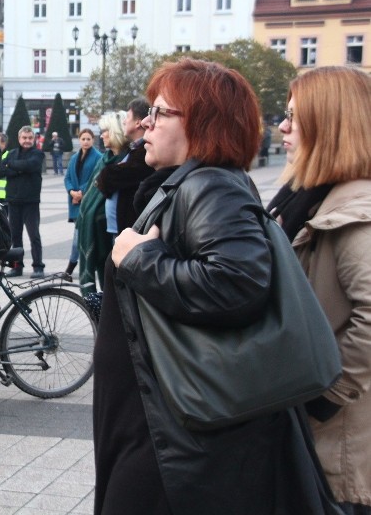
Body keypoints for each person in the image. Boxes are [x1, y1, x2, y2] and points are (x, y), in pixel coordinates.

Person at [94, 58, 333, 514]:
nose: (146, 121)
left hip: (179, 434)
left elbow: (236, 281)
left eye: (161, 112)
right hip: (165, 421)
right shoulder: (188, 183)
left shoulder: (210, 187)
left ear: (201, 124)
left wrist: (141, 257)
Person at [268, 66, 371, 515]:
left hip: (343, 447)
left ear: (329, 125)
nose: (282, 126)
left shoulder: (356, 212)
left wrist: (323, 399)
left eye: (294, 116)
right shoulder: (311, 197)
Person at [75, 113, 127, 293]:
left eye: (105, 131)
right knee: (105, 280)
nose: (102, 134)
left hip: (115, 231)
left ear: (116, 132)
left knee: (113, 284)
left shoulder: (126, 161)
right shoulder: (104, 160)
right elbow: (92, 191)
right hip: (96, 230)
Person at [95, 98, 155, 234]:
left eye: (128, 117)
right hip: (120, 226)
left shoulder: (143, 151)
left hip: (128, 226)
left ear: (138, 122)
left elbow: (109, 177)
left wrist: (108, 174)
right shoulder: (134, 150)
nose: (124, 121)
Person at [1, 126, 45, 278]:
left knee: (34, 235)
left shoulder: (38, 154)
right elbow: (2, 169)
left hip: (31, 201)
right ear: (19, 139)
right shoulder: (11, 153)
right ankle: (17, 266)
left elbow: (31, 165)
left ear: (34, 139)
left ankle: (38, 266)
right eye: (24, 138)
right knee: (15, 236)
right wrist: (19, 168)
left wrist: (13, 166)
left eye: (30, 138)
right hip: (13, 201)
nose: (27, 141)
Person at [62, 128, 101, 281]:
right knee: (80, 236)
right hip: (75, 202)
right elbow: (68, 178)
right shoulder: (74, 157)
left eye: (88, 139)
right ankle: (73, 269)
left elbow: (95, 177)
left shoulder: (98, 157)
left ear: (93, 140)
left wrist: (81, 192)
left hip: (88, 202)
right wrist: (72, 191)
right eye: (83, 139)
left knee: (80, 236)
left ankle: (70, 269)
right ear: (79, 140)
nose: (86, 141)